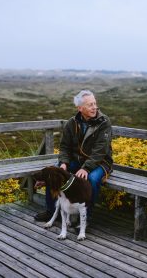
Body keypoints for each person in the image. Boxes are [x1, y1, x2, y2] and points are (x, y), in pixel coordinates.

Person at [34, 90, 113, 222]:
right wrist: (64, 163)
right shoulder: (72, 123)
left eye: (95, 103)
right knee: (52, 173)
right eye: (90, 105)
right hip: (77, 161)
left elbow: (101, 151)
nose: (94, 107)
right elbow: (64, 147)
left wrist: (86, 168)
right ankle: (52, 211)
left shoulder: (104, 122)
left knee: (92, 179)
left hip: (100, 162)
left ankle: (86, 217)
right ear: (80, 108)